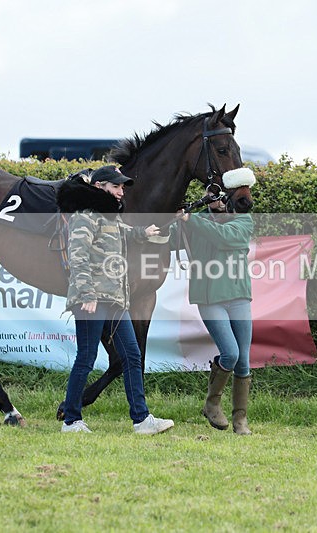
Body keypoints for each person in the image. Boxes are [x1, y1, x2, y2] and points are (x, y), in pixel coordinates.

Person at [57, 165, 174, 435]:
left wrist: (145, 232)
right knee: (86, 358)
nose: (121, 192)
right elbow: (77, 256)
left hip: (115, 301)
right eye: (116, 186)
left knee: (132, 355)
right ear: (99, 187)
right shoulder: (85, 216)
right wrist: (86, 293)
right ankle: (71, 421)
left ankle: (141, 420)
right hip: (92, 301)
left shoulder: (110, 217)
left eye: (122, 187)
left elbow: (125, 233)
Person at [177, 167, 256, 435]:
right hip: (209, 297)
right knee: (230, 354)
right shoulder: (197, 219)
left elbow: (224, 237)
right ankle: (212, 405)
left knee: (243, 360)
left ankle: (240, 420)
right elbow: (176, 237)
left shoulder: (244, 221)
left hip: (238, 295)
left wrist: (191, 219)